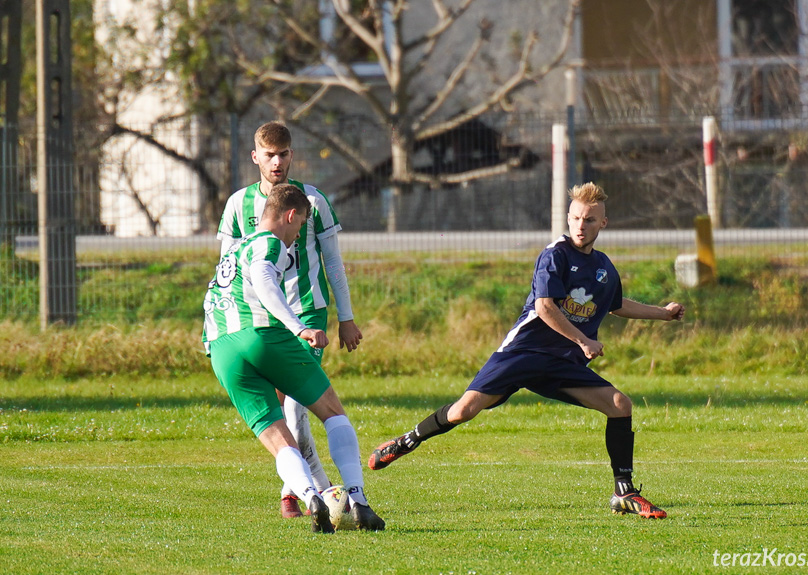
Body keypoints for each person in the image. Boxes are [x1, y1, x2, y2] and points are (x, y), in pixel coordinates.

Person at [368, 182, 684, 519]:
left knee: (620, 405)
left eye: (590, 220)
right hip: (523, 353)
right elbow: (546, 307)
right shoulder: (555, 255)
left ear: (602, 224)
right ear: (568, 217)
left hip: (560, 363)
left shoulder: (604, 268)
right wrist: (583, 341)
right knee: (463, 411)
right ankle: (407, 441)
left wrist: (662, 314)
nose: (581, 225)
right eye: (576, 218)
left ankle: (625, 492)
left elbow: (616, 305)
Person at [203, 183, 385, 533]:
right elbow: (264, 280)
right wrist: (298, 327)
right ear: (289, 216)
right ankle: (359, 502)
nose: (298, 233)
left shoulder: (236, 249)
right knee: (332, 410)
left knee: (275, 436)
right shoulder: (267, 242)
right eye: (300, 225)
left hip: (220, 349)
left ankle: (310, 497)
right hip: (258, 335)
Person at [217, 121, 363, 518]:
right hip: (261, 320)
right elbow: (228, 268)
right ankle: (312, 492)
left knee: (297, 408)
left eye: (283, 154)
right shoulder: (237, 206)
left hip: (307, 310)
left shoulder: (312, 200)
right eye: (269, 154)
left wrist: (345, 318)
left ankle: (312, 493)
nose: (277, 161)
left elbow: (332, 261)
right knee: (281, 409)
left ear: (291, 155)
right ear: (256, 157)